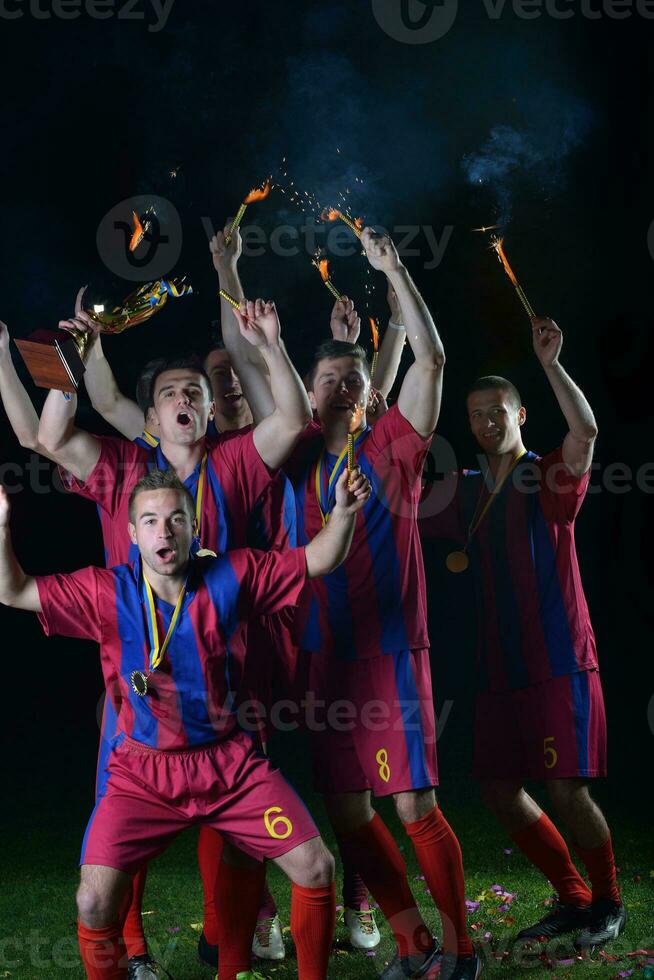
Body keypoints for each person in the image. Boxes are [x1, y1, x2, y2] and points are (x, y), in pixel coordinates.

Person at [219, 224, 480, 980]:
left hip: (391, 657)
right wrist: (229, 270)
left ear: (369, 395)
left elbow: (429, 359)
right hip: (321, 664)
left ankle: (460, 951)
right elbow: (244, 359)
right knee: (346, 816)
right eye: (325, 377)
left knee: (411, 808)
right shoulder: (286, 456)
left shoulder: (393, 446)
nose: (338, 387)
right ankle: (412, 945)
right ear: (308, 388)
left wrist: (395, 272)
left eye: (352, 380)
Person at [0, 463, 371, 980]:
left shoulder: (231, 573)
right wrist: (0, 528)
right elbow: (13, 590)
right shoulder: (108, 592)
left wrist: (346, 513)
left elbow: (320, 558)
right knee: (92, 902)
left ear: (193, 527)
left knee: (316, 867)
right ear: (132, 534)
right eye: (150, 521)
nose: (164, 531)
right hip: (141, 774)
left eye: (176, 519)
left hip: (230, 765)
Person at [35, 290, 312, 976]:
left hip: (227, 674)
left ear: (209, 409)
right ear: (151, 417)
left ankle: (233, 954)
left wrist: (270, 345)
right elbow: (51, 435)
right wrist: (69, 356)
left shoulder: (236, 460)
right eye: (171, 392)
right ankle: (129, 953)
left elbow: (295, 419)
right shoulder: (127, 465)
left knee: (242, 830)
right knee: (119, 831)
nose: (187, 397)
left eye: (196, 390)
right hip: (133, 679)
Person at [419, 317, 626, 950]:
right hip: (498, 667)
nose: (486, 422)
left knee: (566, 787)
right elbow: (401, 495)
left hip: (560, 657)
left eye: (497, 411)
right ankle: (572, 899)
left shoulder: (547, 475)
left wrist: (551, 363)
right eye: (476, 414)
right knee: (497, 789)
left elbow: (586, 431)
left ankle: (608, 902)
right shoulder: (464, 490)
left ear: (520, 415)